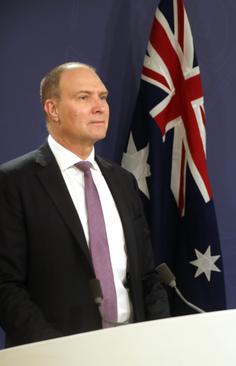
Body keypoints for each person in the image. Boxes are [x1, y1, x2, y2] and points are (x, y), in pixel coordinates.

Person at [0, 62, 169, 346]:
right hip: (54, 354)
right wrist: (57, 352)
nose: (100, 107)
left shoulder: (123, 181)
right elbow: (5, 285)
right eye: (84, 97)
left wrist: (155, 337)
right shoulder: (13, 182)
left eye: (102, 97)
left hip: (132, 348)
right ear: (52, 109)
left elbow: (147, 275)